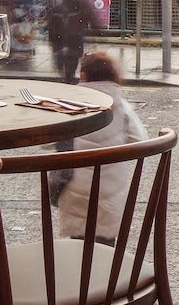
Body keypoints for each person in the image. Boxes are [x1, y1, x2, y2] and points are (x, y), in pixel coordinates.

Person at [53, 51, 148, 242]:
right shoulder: (122, 105)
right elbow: (140, 140)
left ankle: (81, 268)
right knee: (106, 247)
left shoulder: (70, 104)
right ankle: (104, 269)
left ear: (83, 75)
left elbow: (48, 141)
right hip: (109, 188)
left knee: (78, 245)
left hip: (76, 188)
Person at [45, 0, 96, 84]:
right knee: (72, 61)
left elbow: (50, 23)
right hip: (74, 37)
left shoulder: (58, 0)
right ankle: (69, 77)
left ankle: (65, 77)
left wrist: (51, 38)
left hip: (60, 38)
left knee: (61, 62)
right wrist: (97, 29)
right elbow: (91, 14)